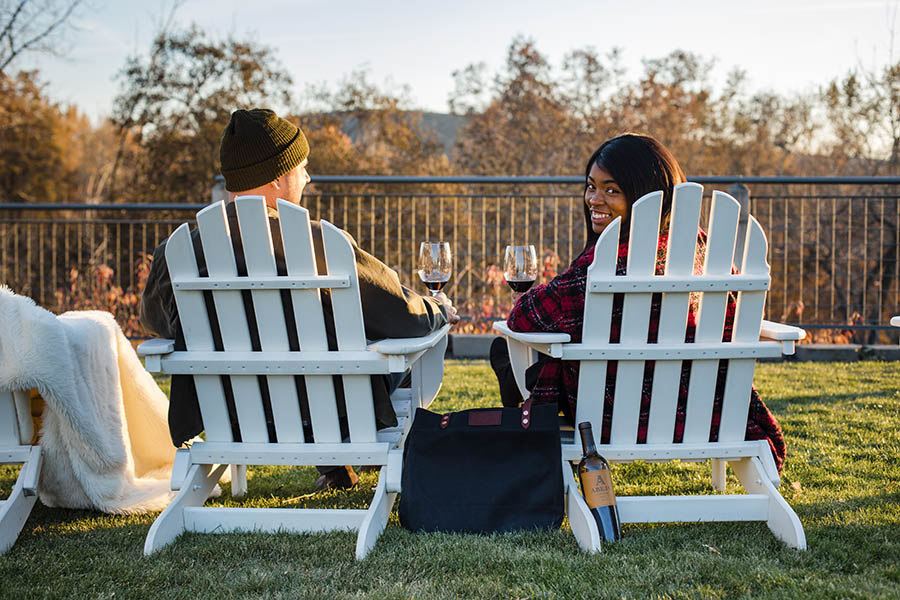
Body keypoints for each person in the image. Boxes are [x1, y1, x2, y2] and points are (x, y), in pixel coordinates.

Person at [141, 108, 458, 489]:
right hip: (332, 412)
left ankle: (335, 467)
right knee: (383, 354)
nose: (307, 177)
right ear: (277, 178)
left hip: (230, 412)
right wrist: (438, 309)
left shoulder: (176, 254)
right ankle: (354, 458)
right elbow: (406, 319)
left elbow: (158, 323)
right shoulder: (321, 246)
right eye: (301, 167)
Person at [489, 133, 786, 471]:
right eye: (591, 187)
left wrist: (528, 299)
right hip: (705, 408)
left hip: (613, 410)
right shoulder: (704, 251)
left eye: (611, 190)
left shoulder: (607, 262)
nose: (594, 200)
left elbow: (524, 318)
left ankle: (522, 451)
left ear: (645, 193)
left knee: (504, 349)